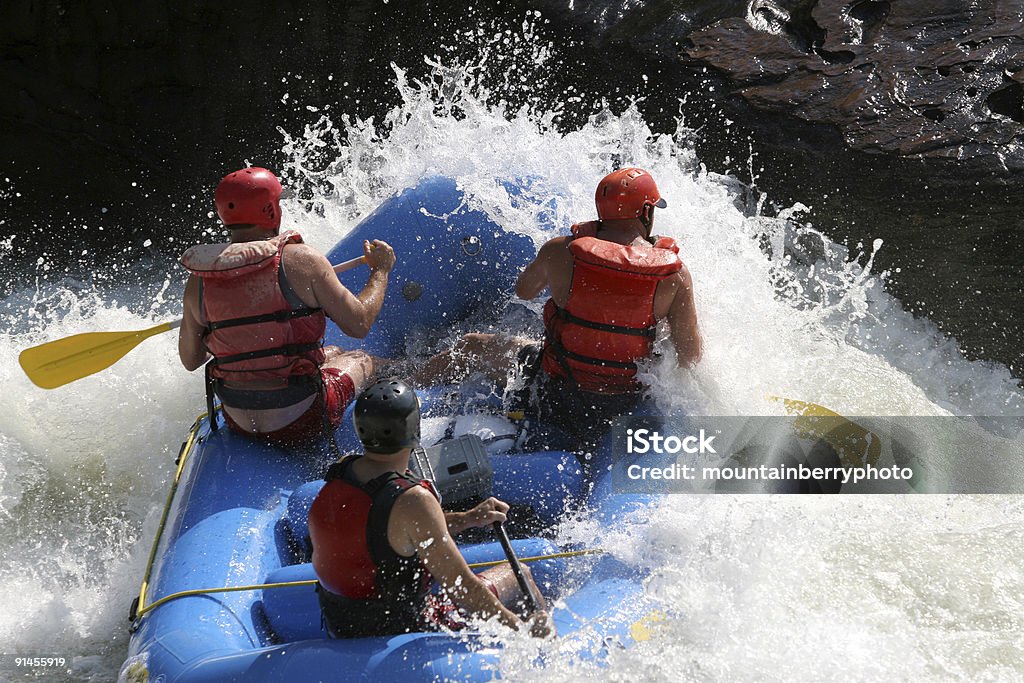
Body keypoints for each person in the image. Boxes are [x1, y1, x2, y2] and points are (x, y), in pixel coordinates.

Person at [416, 167, 701, 452]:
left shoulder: (560, 251)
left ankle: (404, 386)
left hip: (554, 393)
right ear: (647, 212)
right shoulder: (674, 276)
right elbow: (690, 356)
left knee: (472, 346)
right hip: (623, 403)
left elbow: (525, 290)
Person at [308, 378, 553, 638]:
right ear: (415, 429)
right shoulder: (413, 500)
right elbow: (463, 589)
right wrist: (523, 631)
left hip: (343, 622)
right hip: (401, 627)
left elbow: (388, 533)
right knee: (520, 574)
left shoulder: (343, 471)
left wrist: (468, 518)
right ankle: (546, 651)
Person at [178, 167, 396, 448]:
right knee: (361, 360)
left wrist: (233, 325)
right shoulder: (301, 261)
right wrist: (381, 270)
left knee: (333, 353)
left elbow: (190, 360)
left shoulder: (198, 282)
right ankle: (421, 374)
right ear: (271, 210)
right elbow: (359, 323)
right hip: (303, 418)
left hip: (240, 421)